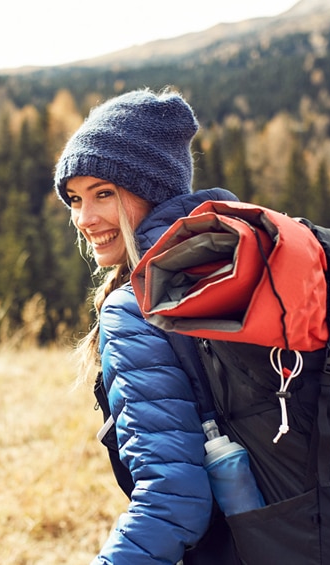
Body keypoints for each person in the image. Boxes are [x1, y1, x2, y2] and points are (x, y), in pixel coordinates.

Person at [53, 88, 240, 564]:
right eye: (75, 198)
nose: (83, 218)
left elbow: (172, 503)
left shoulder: (136, 306)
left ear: (153, 190)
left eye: (103, 194)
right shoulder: (230, 263)